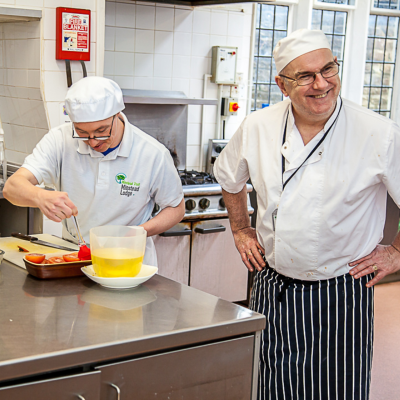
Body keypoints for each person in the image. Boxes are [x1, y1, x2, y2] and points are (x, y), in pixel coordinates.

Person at [214, 29, 400, 400]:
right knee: (271, 387)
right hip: (273, 283)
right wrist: (241, 229)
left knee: (338, 390)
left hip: (342, 290)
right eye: (305, 76)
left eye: (328, 69)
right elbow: (228, 178)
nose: (321, 84)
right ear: (283, 85)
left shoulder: (378, 134)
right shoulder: (258, 126)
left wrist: (395, 251)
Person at [3, 77, 184, 266]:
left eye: (101, 130)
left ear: (118, 114)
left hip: (128, 260)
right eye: (81, 132)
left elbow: (176, 208)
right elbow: (12, 187)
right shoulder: (59, 140)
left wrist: (138, 232)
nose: (93, 141)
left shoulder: (152, 154)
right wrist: (39, 196)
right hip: (74, 259)